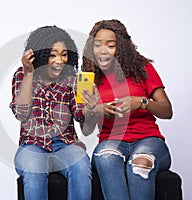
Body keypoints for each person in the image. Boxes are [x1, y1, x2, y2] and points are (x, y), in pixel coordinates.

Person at [80, 19, 173, 200]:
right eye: (97, 45)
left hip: (147, 139)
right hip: (110, 141)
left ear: (121, 47)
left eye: (110, 45)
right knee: (106, 159)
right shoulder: (88, 77)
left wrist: (141, 102)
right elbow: (86, 129)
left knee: (140, 164)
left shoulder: (143, 68)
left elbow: (167, 111)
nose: (103, 51)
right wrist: (96, 110)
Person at [9, 26, 96, 200]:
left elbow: (81, 117)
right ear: (40, 55)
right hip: (32, 145)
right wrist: (28, 74)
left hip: (65, 144)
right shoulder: (22, 74)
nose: (59, 60)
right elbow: (21, 113)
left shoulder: (72, 80)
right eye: (53, 55)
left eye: (64, 54)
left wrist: (92, 108)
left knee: (81, 165)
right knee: (34, 170)